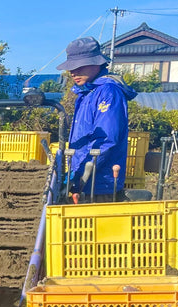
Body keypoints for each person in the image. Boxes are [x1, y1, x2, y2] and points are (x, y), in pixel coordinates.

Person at [56, 36, 137, 201]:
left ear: (96, 63)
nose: (73, 72)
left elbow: (105, 140)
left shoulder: (108, 92)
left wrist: (80, 176)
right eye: (71, 68)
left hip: (99, 185)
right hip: (84, 182)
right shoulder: (87, 93)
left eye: (79, 66)